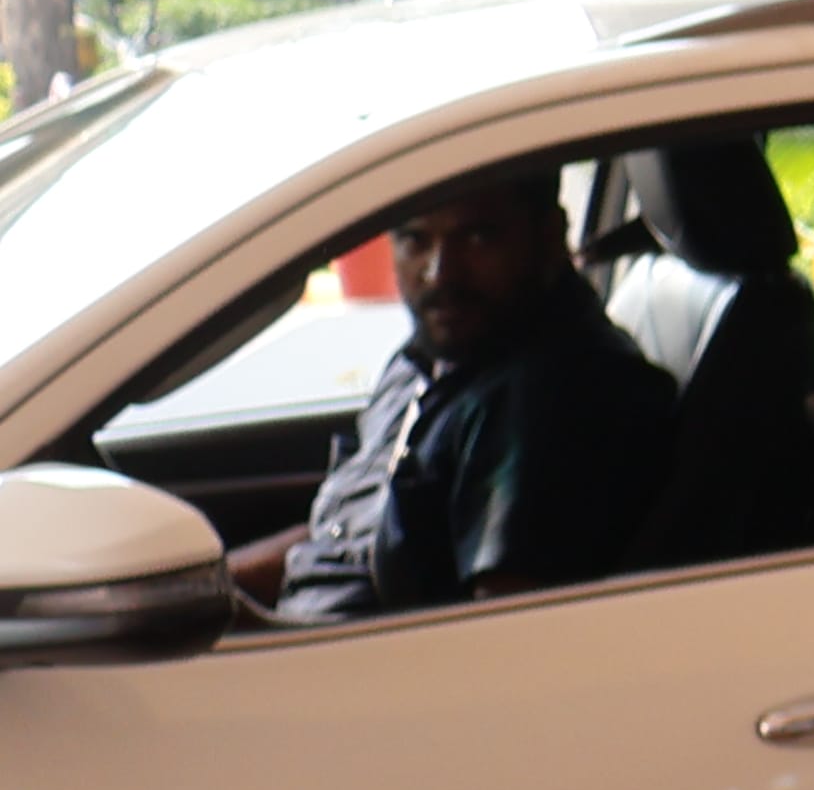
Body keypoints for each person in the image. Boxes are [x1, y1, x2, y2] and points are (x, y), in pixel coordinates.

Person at [227, 164, 680, 621]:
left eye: (478, 238)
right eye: (415, 240)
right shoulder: (436, 356)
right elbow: (347, 535)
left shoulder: (545, 400)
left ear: (548, 236)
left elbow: (504, 633)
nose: (440, 273)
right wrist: (213, 588)